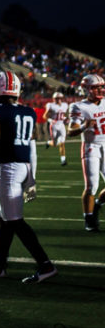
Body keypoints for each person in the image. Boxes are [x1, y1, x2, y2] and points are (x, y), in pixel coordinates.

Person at [0, 71, 57, 283]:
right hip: (23, 167)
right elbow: (32, 147)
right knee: (3, 218)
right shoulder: (28, 112)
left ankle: (45, 265)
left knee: (15, 221)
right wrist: (31, 178)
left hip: (8, 169)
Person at [66, 73, 105, 232]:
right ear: (86, 89)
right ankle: (89, 219)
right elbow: (71, 131)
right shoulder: (78, 106)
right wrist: (84, 126)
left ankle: (97, 205)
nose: (100, 90)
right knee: (91, 186)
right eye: (96, 88)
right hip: (91, 147)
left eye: (101, 87)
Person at [45, 91, 69, 166]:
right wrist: (50, 120)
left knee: (62, 143)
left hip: (61, 125)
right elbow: (44, 116)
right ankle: (48, 142)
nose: (57, 100)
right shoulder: (50, 105)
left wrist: (65, 119)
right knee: (55, 144)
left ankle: (63, 160)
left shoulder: (65, 105)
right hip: (54, 126)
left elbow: (63, 115)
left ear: (61, 98)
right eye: (56, 98)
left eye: (59, 98)